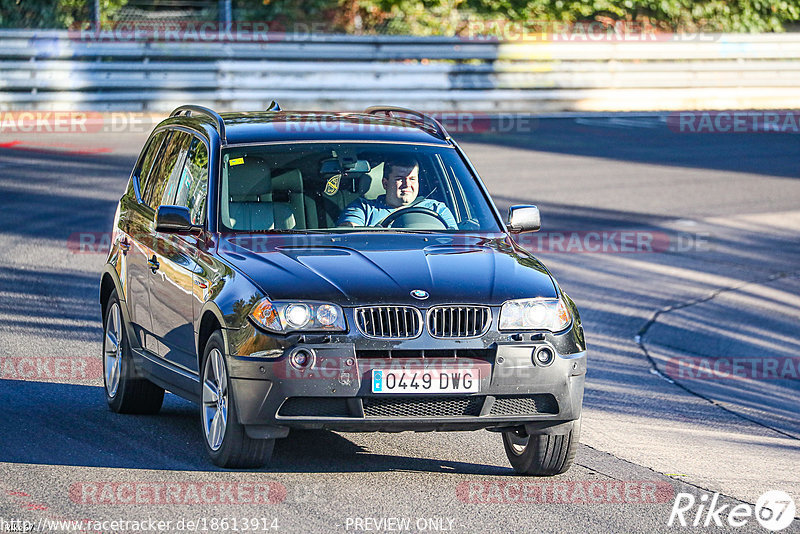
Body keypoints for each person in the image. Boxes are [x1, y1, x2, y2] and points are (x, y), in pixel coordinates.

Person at [336, 156, 458, 229]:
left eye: (412, 179)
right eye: (399, 179)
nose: (407, 184)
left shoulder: (437, 209)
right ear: (385, 183)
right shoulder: (364, 209)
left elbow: (453, 244)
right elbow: (349, 235)